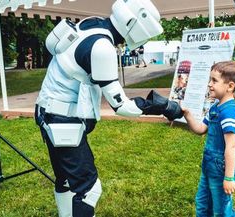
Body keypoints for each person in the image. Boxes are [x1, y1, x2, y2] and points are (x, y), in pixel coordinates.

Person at [34, 0, 183, 216]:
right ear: (135, 26)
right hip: (62, 119)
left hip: (48, 113)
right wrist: (164, 107)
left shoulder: (91, 24)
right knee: (89, 189)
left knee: (66, 180)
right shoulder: (102, 47)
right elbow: (122, 106)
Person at [183, 61, 235, 217]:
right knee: (203, 204)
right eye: (210, 80)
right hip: (209, 166)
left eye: (214, 81)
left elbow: (230, 147)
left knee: (221, 211)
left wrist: (229, 178)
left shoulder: (229, 112)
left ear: (230, 86)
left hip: (222, 169)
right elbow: (201, 129)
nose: (209, 84)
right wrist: (187, 115)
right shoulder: (215, 107)